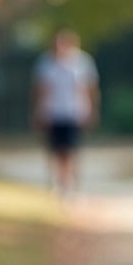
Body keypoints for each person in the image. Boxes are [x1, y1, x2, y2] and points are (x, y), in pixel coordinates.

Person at [31, 29, 100, 196]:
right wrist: (38, 111)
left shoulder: (82, 62)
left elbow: (91, 88)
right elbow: (40, 89)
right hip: (52, 112)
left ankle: (70, 183)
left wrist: (93, 110)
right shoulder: (46, 63)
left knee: (70, 149)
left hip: (74, 112)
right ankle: (57, 182)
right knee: (55, 150)